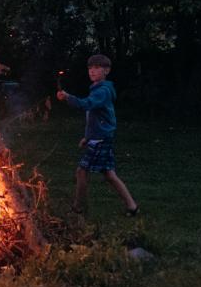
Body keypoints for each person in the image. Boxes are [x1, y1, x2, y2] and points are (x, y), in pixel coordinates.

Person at [56, 54, 139, 216]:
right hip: (101, 137)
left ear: (106, 71)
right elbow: (94, 117)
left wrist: (67, 97)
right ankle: (132, 206)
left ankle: (78, 208)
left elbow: (86, 104)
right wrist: (87, 137)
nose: (92, 71)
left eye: (97, 68)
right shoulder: (97, 89)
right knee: (109, 174)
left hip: (101, 139)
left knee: (81, 171)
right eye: (90, 68)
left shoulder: (103, 91)